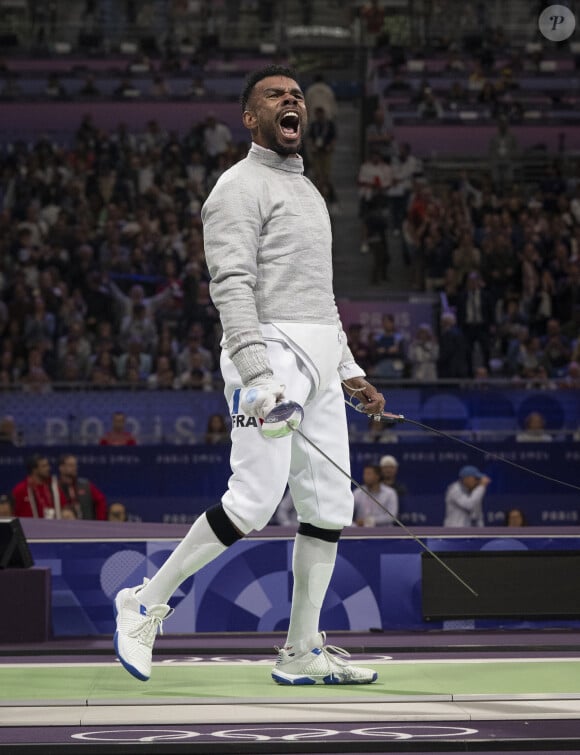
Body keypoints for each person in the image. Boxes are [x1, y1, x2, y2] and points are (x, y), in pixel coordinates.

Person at [113, 64, 385, 687]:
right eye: (274, 95)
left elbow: (321, 296)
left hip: (316, 361)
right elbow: (231, 285)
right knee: (254, 500)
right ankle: (143, 605)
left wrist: (348, 370)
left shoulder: (311, 191)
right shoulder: (235, 187)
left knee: (329, 505)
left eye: (296, 95)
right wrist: (259, 375)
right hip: (266, 355)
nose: (291, 100)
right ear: (251, 117)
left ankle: (301, 649)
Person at [12, 454, 66, 519]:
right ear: (34, 470)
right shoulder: (21, 490)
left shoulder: (54, 487)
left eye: (48, 465)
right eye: (44, 466)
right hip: (29, 527)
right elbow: (14, 513)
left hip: (53, 526)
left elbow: (64, 507)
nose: (48, 468)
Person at [56, 454, 108, 520]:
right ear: (61, 468)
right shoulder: (54, 487)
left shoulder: (85, 485)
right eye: (71, 465)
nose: (75, 468)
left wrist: (99, 522)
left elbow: (101, 501)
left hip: (85, 525)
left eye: (75, 465)